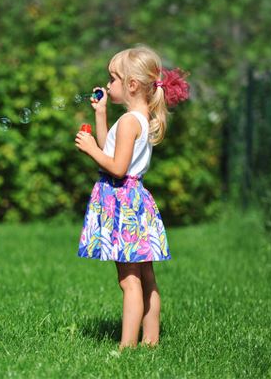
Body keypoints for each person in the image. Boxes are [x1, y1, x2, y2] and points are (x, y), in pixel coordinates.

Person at [74, 44, 190, 350]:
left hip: (122, 204)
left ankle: (127, 347)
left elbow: (116, 166)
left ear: (132, 85)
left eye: (113, 79)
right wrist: (101, 115)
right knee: (146, 277)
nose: (108, 84)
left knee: (129, 281)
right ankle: (150, 342)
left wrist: (90, 150)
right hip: (136, 201)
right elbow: (112, 151)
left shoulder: (128, 122)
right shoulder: (139, 118)